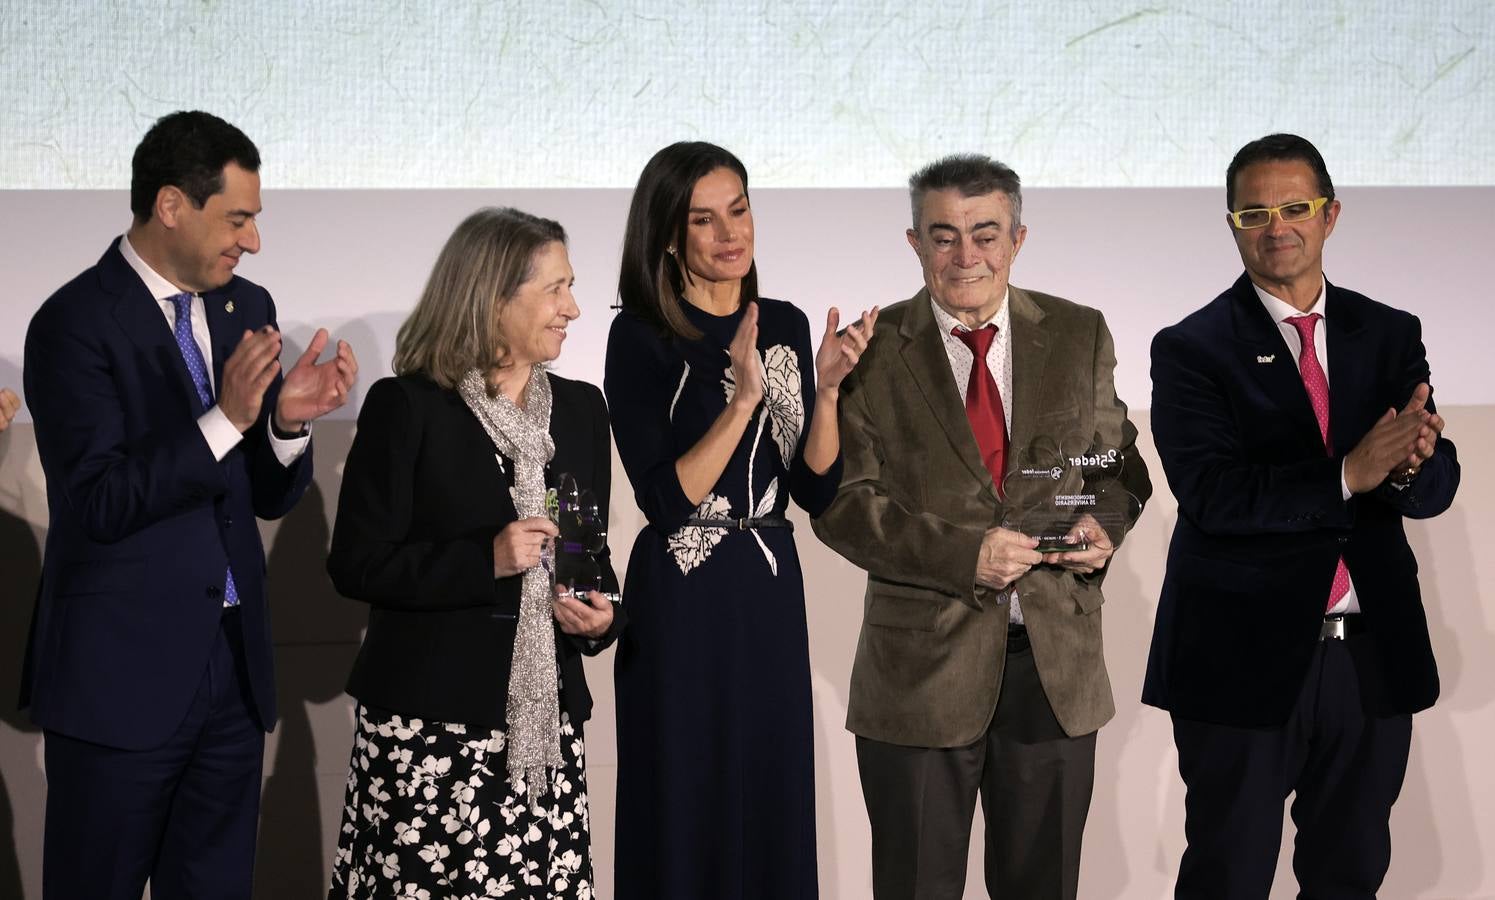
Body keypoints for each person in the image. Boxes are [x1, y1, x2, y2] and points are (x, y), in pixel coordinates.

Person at [21, 110, 357, 900]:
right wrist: (227, 420)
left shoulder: (246, 305)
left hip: (231, 674)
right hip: (119, 681)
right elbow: (99, 502)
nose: (253, 242)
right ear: (171, 205)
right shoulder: (73, 323)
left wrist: (283, 425)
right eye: (237, 219)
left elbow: (267, 499)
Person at [811, 153, 1151, 900]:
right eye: (943, 236)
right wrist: (969, 554)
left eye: (985, 233)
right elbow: (842, 507)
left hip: (1054, 669)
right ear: (913, 242)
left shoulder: (1077, 333)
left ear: (1017, 238)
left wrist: (1104, 522)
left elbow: (1120, 467)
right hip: (919, 679)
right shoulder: (868, 352)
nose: (966, 256)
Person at [1143, 133, 1459, 899]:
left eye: (1294, 207)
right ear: (1230, 222)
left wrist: (1413, 460)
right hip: (1238, 661)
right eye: (1253, 211)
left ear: (1329, 215)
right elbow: (1213, 495)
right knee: (1228, 873)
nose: (1275, 226)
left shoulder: (1388, 331)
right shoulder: (1190, 347)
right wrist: (1351, 472)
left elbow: (1433, 481)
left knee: (1349, 874)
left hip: (1368, 657)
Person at [326, 207, 622, 900]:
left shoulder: (580, 410)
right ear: (493, 299)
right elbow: (357, 563)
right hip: (429, 730)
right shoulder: (408, 407)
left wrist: (603, 618)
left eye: (570, 287)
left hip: (540, 736)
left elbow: (586, 554)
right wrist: (481, 559)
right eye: (554, 290)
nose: (572, 308)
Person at [605, 141, 875, 899]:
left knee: (770, 786)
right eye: (703, 220)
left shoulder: (783, 323)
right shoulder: (641, 336)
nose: (730, 233)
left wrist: (825, 394)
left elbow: (814, 493)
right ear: (667, 234)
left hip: (765, 593)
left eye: (739, 209)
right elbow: (664, 500)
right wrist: (742, 400)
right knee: (685, 794)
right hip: (682, 601)